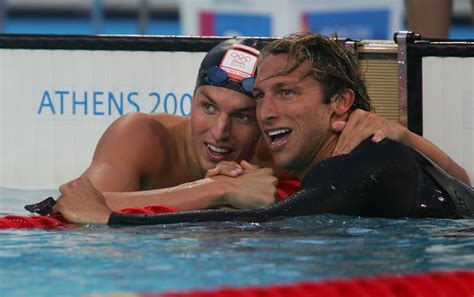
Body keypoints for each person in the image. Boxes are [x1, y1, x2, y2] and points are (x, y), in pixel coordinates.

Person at [51, 34, 472, 225]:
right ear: (190, 102)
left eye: (242, 115)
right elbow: (72, 206)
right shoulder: (141, 135)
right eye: (207, 107)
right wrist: (218, 191)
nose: (220, 132)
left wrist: (401, 134)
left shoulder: (281, 149)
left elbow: (456, 187)